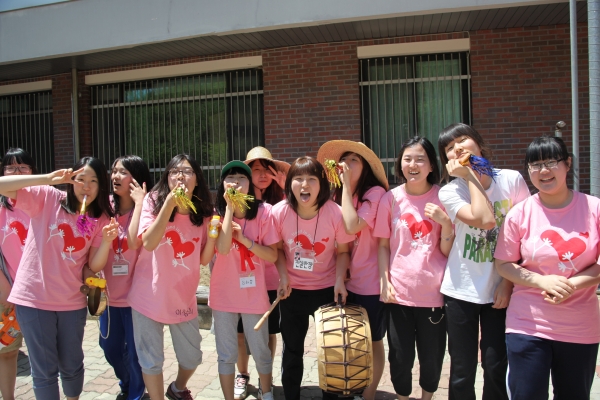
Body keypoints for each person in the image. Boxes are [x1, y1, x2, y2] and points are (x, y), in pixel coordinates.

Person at [0, 157, 118, 400]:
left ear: (101, 185)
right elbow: (2, 185)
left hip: (71, 301)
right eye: (81, 179)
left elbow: (94, 264)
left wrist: (107, 241)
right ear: (71, 180)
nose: (86, 186)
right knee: (44, 370)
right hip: (33, 299)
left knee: (72, 364)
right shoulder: (48, 197)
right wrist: (47, 178)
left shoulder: (101, 217)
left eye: (93, 181)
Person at [494, 136, 600, 399]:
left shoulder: (594, 208)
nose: (543, 171)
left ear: (567, 164)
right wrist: (542, 281)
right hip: (527, 324)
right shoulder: (520, 213)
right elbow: (504, 264)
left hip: (580, 327)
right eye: (535, 165)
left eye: (551, 162)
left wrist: (570, 285)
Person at [437, 123, 530, 400]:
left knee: (495, 364)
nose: (457, 149)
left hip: (499, 288)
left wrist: (508, 283)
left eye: (463, 141)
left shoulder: (511, 180)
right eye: (449, 148)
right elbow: (485, 219)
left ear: (478, 143)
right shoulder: (450, 191)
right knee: (462, 368)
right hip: (460, 289)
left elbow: (525, 234)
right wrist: (469, 176)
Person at [127, 154, 214, 400]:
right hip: (148, 295)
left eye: (187, 171)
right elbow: (149, 243)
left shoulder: (204, 212)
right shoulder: (153, 201)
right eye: (174, 171)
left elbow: (203, 259)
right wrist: (168, 205)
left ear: (197, 179)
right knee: (151, 360)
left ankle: (177, 388)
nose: (180, 176)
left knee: (192, 357)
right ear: (167, 177)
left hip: (182, 297)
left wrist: (214, 235)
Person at [374, 137, 452, 400]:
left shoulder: (444, 197)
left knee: (432, 357)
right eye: (407, 159)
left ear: (432, 166)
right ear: (400, 164)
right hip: (399, 294)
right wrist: (384, 281)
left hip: (433, 294)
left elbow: (447, 251)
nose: (413, 165)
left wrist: (446, 223)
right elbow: (383, 245)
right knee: (400, 358)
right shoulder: (391, 198)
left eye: (420, 159)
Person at [271, 156, 355, 400]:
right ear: (290, 184)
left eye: (311, 179)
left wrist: (339, 280)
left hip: (326, 290)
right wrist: (283, 277)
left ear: (322, 184)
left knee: (331, 351)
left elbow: (343, 251)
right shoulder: (279, 212)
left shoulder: (335, 212)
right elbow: (277, 250)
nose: (305, 184)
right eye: (298, 178)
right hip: (292, 292)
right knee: (292, 350)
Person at [316, 140, 388, 400]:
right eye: (343, 160)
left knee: (374, 339)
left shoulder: (375, 193)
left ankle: (369, 394)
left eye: (354, 160)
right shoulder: (336, 196)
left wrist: (345, 186)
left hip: (370, 282)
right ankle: (353, 386)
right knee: (353, 339)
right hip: (347, 280)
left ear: (366, 167)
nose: (346, 164)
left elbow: (351, 225)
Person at [210, 160, 279, 400]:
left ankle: (266, 392)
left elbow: (272, 255)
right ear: (222, 184)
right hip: (223, 295)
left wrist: (246, 241)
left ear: (249, 185)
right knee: (226, 354)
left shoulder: (264, 212)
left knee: (260, 350)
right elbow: (223, 248)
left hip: (253, 294)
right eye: (230, 178)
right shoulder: (216, 215)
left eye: (241, 178)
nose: (235, 183)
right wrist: (229, 209)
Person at [231, 147, 289, 399]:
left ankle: (266, 374)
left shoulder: (281, 201)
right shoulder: (236, 201)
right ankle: (242, 375)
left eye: (267, 170)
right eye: (256, 170)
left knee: (269, 332)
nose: (262, 175)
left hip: (271, 277)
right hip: (243, 277)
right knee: (240, 332)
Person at [99, 155, 153, 400]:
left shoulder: (149, 209)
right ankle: (128, 382)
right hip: (108, 296)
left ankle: (135, 394)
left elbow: (132, 242)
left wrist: (140, 204)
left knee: (135, 352)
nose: (115, 177)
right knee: (109, 348)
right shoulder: (104, 207)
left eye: (122, 172)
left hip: (136, 298)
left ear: (137, 178)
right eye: (113, 171)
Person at [0, 148, 36, 400]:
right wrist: (5, 289)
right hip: (6, 292)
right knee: (7, 351)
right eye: (11, 167)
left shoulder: (42, 203)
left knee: (41, 352)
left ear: (32, 171)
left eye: (23, 167)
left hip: (38, 294)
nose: (17, 172)